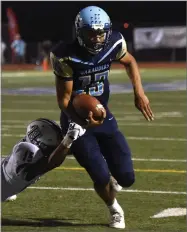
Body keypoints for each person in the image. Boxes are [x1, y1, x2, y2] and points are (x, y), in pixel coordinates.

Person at [50, 6, 154, 229]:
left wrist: (139, 93)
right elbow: (65, 100)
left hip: (103, 114)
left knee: (127, 178)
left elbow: (130, 61)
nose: (97, 38)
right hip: (76, 119)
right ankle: (114, 208)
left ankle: (114, 183)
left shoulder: (114, 42)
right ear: (79, 32)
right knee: (99, 175)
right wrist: (80, 122)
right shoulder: (65, 55)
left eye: (101, 32)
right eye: (91, 33)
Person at [1, 118, 86, 202]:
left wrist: (79, 133)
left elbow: (62, 151)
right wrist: (69, 138)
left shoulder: (33, 144)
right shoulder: (29, 150)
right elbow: (51, 163)